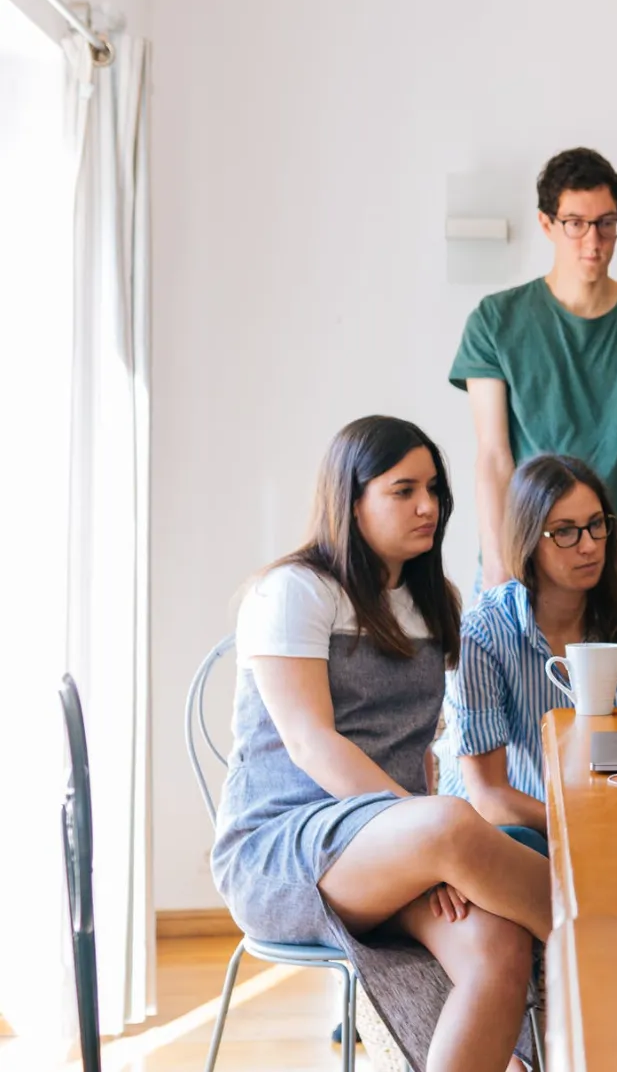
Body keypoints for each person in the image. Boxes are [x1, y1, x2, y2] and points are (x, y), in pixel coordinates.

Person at [213, 416, 548, 1071]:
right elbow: (311, 744)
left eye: (434, 490)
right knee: (456, 823)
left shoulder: (434, 602)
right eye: (404, 490)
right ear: (352, 497)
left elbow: (418, 747)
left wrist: (426, 841)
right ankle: (611, 932)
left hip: (396, 844)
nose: (429, 506)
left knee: (499, 947)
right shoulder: (294, 592)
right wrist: (427, 832)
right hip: (283, 848)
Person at [450, 147, 617, 605]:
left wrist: (615, 576)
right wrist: (501, 572)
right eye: (575, 223)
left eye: (606, 222)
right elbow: (493, 458)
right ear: (547, 224)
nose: (593, 240)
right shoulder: (494, 321)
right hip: (521, 562)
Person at [438, 455, 617, 842]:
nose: (589, 546)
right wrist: (582, 827)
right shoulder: (482, 633)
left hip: (605, 822)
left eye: (596, 525)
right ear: (528, 540)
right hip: (505, 832)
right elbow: (488, 797)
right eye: (565, 532)